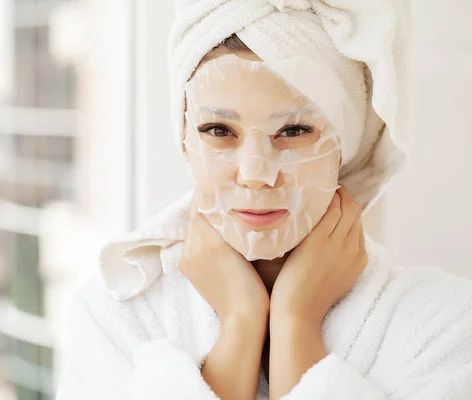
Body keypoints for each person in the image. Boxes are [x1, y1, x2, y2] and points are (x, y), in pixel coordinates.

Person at [56, 1, 472, 399]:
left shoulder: (445, 326)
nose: (256, 173)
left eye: (293, 131)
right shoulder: (112, 318)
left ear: (344, 144)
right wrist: (239, 322)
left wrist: (297, 321)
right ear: (184, 140)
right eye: (218, 130)